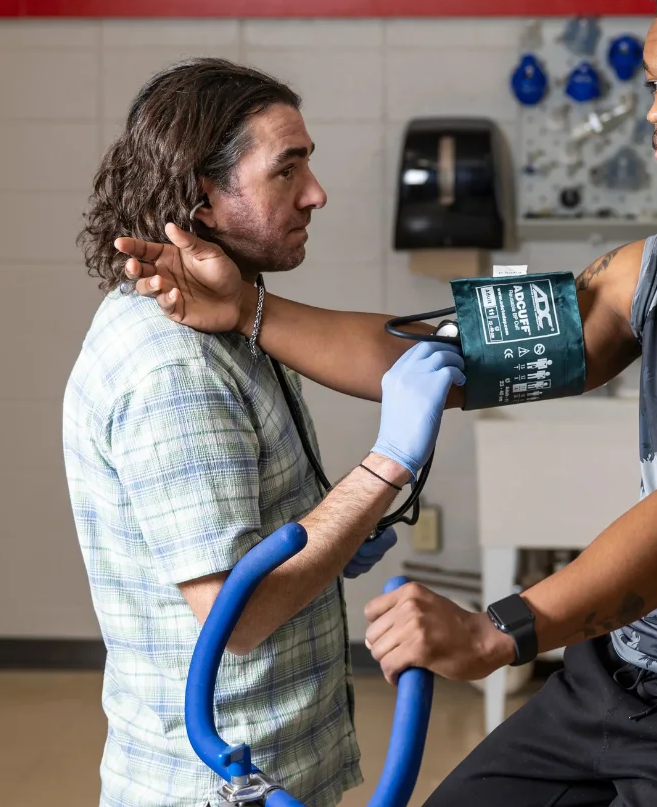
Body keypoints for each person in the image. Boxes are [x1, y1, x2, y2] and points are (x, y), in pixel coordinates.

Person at [121, 0, 657, 806]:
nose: (656, 111)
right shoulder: (653, 270)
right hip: (618, 673)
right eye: (653, 83)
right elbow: (437, 356)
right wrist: (248, 312)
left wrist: (501, 631)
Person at [63, 58, 464, 807]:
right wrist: (383, 470)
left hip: (276, 765)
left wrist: (331, 536)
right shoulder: (174, 369)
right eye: (287, 171)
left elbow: (243, 539)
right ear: (205, 199)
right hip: (218, 784)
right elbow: (234, 617)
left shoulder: (230, 321)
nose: (316, 193)